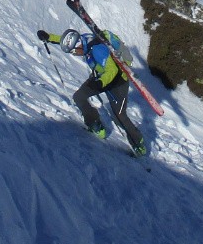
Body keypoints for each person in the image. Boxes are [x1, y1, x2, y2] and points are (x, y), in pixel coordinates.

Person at [38, 27, 146, 156]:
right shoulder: (83, 40)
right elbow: (65, 40)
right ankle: (95, 124)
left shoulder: (97, 50)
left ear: (78, 46)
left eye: (73, 52)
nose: (74, 54)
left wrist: (99, 83)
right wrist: (49, 37)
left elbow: (112, 70)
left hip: (118, 83)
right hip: (99, 77)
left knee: (119, 116)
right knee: (79, 97)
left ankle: (138, 143)